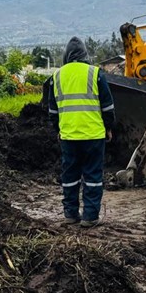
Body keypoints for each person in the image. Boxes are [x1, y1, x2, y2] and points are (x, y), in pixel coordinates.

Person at [45, 37, 115, 229]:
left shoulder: (57, 76)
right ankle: (90, 216)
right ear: (85, 54)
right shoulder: (95, 74)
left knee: (70, 176)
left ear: (66, 55)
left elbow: (52, 111)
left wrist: (58, 129)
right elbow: (107, 106)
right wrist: (108, 127)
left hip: (69, 137)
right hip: (93, 135)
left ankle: (70, 214)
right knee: (92, 176)